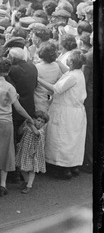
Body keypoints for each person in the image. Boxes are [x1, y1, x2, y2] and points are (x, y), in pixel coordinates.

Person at [0, 58, 35, 195]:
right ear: (7, 71)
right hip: (5, 122)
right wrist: (29, 118)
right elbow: (18, 108)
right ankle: (2, 184)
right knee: (6, 153)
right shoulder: (9, 87)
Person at [41, 51, 87, 179]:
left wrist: (38, 79)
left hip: (66, 112)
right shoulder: (77, 72)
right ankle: (72, 167)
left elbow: (56, 88)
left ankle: (62, 169)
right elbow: (66, 69)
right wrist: (56, 60)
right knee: (72, 140)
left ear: (72, 62)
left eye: (69, 59)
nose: (67, 61)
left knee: (62, 140)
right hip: (74, 112)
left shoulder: (72, 77)